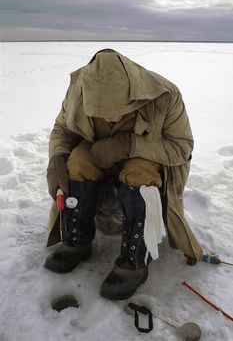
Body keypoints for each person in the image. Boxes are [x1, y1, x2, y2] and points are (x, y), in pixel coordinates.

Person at [44, 49, 203, 300]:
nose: (108, 117)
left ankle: (135, 259)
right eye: (100, 112)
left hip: (142, 164)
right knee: (77, 162)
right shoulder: (78, 89)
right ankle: (78, 241)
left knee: (139, 171)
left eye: (117, 110)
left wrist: (128, 145)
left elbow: (181, 148)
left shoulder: (165, 95)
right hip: (98, 159)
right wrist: (56, 161)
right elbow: (62, 129)